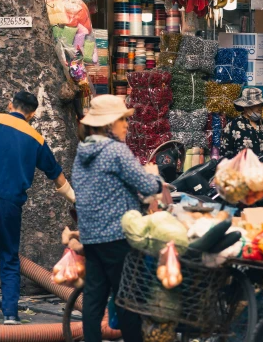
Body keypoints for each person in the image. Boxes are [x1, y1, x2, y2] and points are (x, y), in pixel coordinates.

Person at [0, 91, 76, 325]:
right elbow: (56, 175)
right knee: (9, 257)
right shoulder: (36, 138)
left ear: (10, 104)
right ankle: (10, 313)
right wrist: (76, 200)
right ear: (33, 114)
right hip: (11, 204)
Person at [72, 95, 164, 342]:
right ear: (109, 124)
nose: (127, 125)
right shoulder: (115, 151)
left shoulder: (82, 153)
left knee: (94, 299)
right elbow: (146, 185)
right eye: (122, 120)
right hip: (118, 237)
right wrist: (156, 178)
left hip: (92, 236)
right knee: (127, 300)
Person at [220, 88, 263, 159]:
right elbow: (224, 154)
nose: (260, 108)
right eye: (256, 105)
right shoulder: (233, 126)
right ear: (246, 107)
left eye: (261, 105)